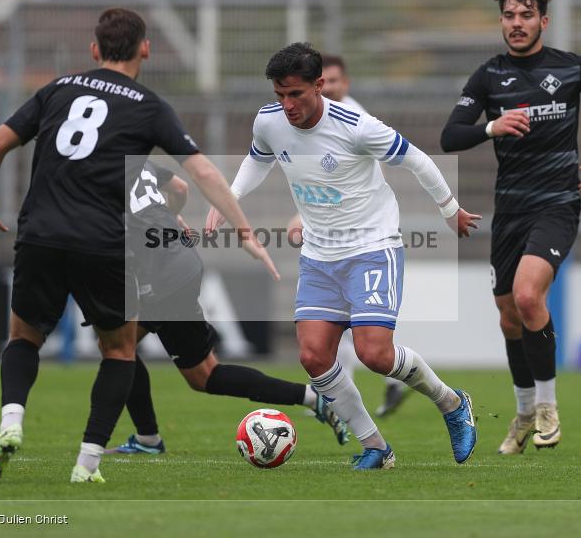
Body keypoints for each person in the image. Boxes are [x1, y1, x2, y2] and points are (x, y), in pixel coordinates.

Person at [0, 8, 277, 484]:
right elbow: (202, 174)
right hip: (103, 243)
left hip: (39, 234)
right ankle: (87, 463)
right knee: (118, 351)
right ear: (145, 48)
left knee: (23, 338)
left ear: (94, 49)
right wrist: (248, 235)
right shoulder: (148, 106)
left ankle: (11, 423)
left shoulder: (56, 90)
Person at [207, 42, 482, 470]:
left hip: (372, 247)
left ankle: (450, 403)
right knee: (314, 356)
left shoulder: (357, 126)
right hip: (319, 254)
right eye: (280, 95)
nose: (287, 105)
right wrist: (231, 198)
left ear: (320, 86)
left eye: (296, 94)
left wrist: (451, 211)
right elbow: (258, 159)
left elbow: (419, 161)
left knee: (374, 354)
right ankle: (376, 447)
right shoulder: (270, 122)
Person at [440, 0, 581, 453]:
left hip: (558, 203)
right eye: (509, 16)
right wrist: (491, 126)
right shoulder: (488, 76)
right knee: (508, 317)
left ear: (543, 20)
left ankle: (548, 407)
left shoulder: (571, 69)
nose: (517, 24)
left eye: (526, 15)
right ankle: (524, 412)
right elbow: (450, 136)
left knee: (528, 298)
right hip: (510, 209)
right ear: (501, 21)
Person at [106, 160, 349, 455]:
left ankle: (146, 440)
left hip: (159, 276)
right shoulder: (136, 158)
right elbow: (180, 188)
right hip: (180, 262)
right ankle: (313, 397)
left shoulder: (97, 167)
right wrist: (168, 218)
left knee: (120, 347)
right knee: (201, 374)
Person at [288, 54, 411, 418]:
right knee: (344, 330)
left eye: (338, 80)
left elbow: (347, 183)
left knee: (359, 334)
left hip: (366, 236)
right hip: (332, 239)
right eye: (327, 80)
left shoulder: (353, 118)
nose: (333, 87)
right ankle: (371, 392)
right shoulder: (306, 120)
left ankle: (340, 399)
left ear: (344, 84)